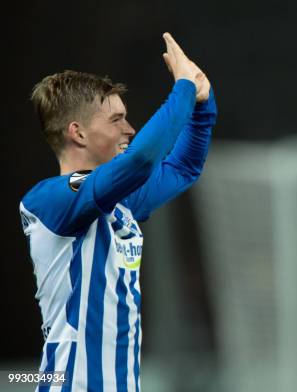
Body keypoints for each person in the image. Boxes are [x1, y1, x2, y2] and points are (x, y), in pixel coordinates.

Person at [19, 33, 217, 391]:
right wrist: (183, 88)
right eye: (116, 120)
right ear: (77, 133)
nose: (130, 129)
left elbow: (182, 169)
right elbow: (142, 159)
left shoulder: (118, 202)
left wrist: (202, 102)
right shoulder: (51, 200)